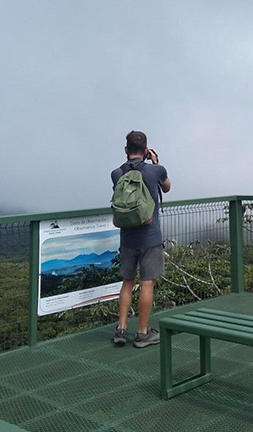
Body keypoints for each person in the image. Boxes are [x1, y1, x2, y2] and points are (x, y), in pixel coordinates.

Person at [111, 130, 171, 348]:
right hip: (150, 237)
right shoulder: (156, 171)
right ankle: (143, 333)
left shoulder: (117, 174)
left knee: (127, 282)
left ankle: (121, 329)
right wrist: (155, 162)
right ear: (146, 151)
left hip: (127, 238)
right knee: (147, 283)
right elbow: (167, 186)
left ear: (126, 150)